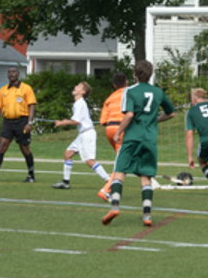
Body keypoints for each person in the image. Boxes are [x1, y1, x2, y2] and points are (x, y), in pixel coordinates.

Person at [101, 60, 175, 227]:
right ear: (151, 74)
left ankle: (114, 207)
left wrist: (118, 132)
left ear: (135, 74)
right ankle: (147, 216)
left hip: (132, 137)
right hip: (149, 139)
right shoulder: (158, 92)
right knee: (145, 176)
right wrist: (155, 120)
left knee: (120, 171)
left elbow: (129, 115)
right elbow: (171, 113)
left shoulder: (130, 91)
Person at [52, 81, 110, 191]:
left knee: (89, 161)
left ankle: (109, 181)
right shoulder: (77, 103)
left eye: (78, 86)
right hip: (82, 134)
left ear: (83, 92)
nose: (75, 87)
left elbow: (76, 121)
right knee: (68, 154)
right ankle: (65, 182)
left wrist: (62, 122)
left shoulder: (80, 103)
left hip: (87, 134)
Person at [0, 67, 37, 183]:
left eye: (14, 72)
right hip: (8, 122)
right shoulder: (3, 90)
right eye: (9, 72)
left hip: (22, 121)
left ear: (18, 74)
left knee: (24, 148)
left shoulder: (26, 88)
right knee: (2, 145)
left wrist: (29, 122)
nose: (11, 74)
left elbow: (32, 106)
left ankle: (31, 175)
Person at [97, 72, 128, 201]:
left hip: (109, 129)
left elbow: (103, 121)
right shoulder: (129, 94)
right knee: (122, 163)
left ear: (114, 85)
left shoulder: (110, 98)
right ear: (127, 82)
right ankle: (106, 190)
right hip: (121, 129)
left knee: (123, 158)